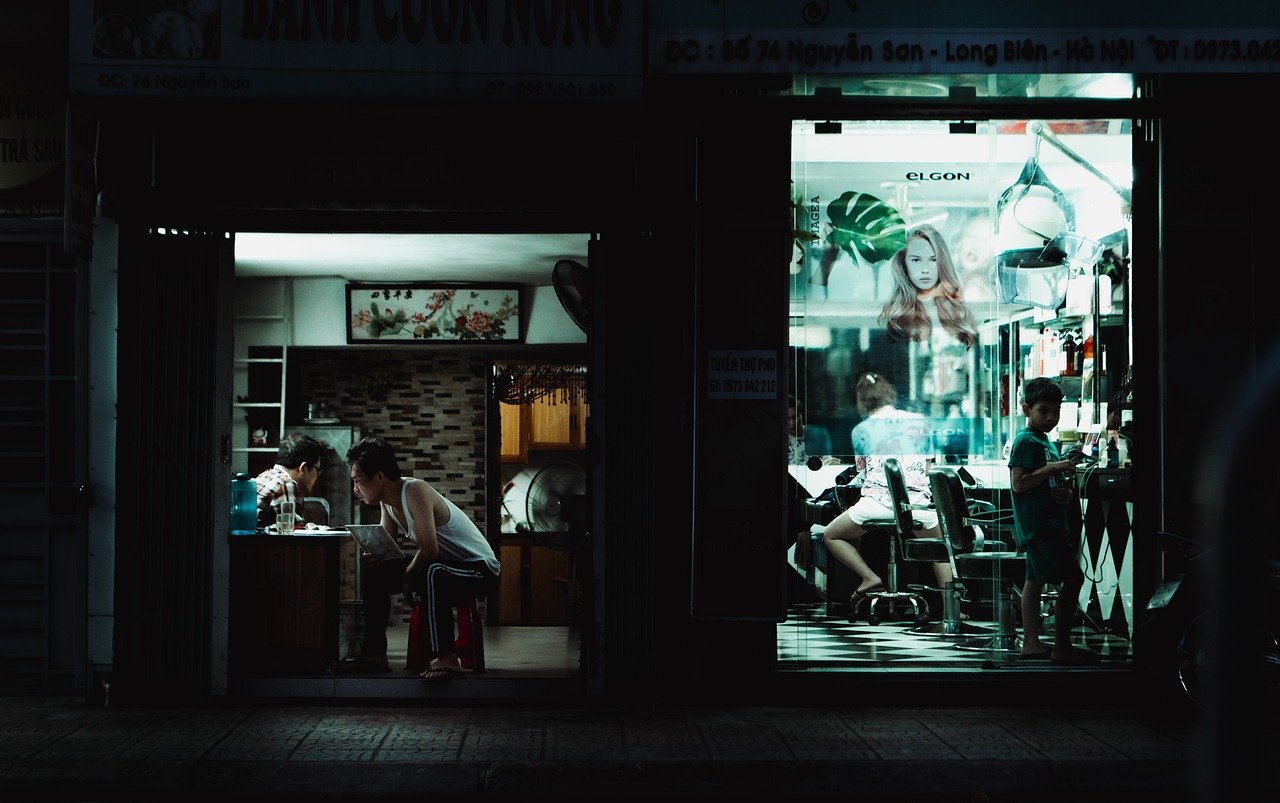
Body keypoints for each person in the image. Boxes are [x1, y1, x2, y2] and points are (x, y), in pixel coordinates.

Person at [342, 436, 500, 681]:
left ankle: (447, 657)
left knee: (432, 570)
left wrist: (406, 576)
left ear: (379, 477)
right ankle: (374, 654)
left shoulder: (415, 490)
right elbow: (389, 548)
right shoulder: (387, 503)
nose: (355, 490)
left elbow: (429, 550)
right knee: (378, 572)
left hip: (480, 570)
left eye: (357, 482)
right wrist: (376, 556)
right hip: (443, 566)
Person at [821, 372, 958, 618]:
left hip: (876, 504)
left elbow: (862, 471)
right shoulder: (919, 421)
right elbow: (929, 466)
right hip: (916, 506)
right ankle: (951, 611)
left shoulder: (861, 430)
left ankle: (870, 577)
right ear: (890, 395)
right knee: (941, 549)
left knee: (831, 535)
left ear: (862, 401)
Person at [1008, 377, 1098, 664]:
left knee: (1033, 584)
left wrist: (1064, 493)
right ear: (1026, 409)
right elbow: (1019, 484)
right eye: (1043, 411)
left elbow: (1043, 483)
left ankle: (1032, 644)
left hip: (1048, 521)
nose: (1050, 418)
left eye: (1055, 412)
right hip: (1040, 526)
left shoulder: (1043, 440)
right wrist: (1053, 467)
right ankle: (1061, 647)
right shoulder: (1025, 441)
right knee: (1073, 578)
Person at [879, 224, 978, 348]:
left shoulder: (958, 311)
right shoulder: (893, 318)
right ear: (903, 264)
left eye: (933, 260)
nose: (925, 269)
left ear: (942, 262)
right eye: (916, 260)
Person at [253, 433, 326, 528]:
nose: (317, 477)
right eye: (317, 470)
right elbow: (294, 532)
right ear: (303, 468)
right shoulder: (287, 484)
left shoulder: (264, 476)